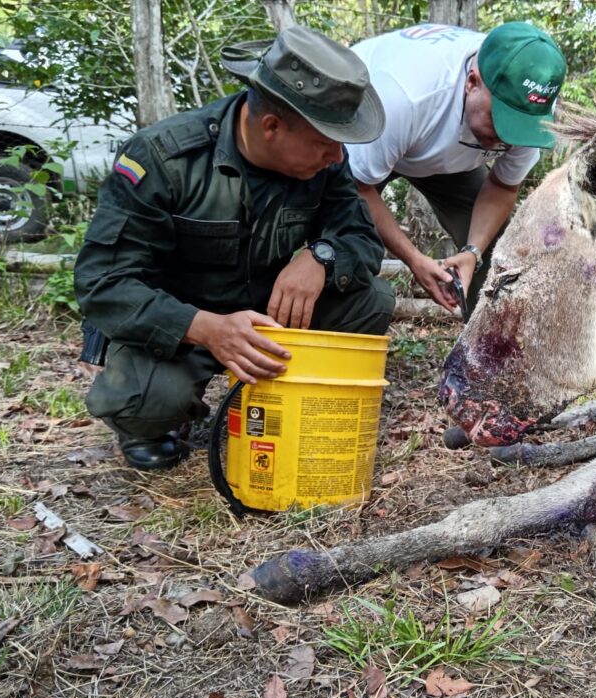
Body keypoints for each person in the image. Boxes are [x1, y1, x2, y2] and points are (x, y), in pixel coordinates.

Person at [74, 26, 394, 471]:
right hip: (182, 321)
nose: (337, 157)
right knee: (142, 403)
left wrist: (320, 257)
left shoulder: (324, 162)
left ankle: (289, 397)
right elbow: (102, 284)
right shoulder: (165, 159)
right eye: (325, 143)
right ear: (272, 127)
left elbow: (360, 238)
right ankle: (161, 417)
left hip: (266, 313)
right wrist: (206, 328)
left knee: (371, 299)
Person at [347, 22, 566, 316]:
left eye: (517, 128)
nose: (506, 139)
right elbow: (358, 187)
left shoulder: (530, 112)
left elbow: (503, 186)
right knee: (349, 239)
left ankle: (485, 349)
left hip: (445, 154)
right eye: (500, 121)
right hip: (368, 138)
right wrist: (414, 258)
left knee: (495, 251)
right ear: (472, 82)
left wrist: (472, 252)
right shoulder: (405, 94)